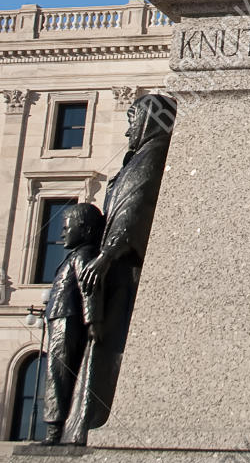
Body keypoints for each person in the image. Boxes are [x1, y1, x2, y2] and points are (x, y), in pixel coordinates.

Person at [60, 93, 176, 444]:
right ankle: (79, 426)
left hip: (122, 272)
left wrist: (108, 254)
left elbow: (134, 209)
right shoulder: (139, 157)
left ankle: (87, 424)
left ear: (150, 121)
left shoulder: (152, 156)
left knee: (106, 350)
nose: (128, 133)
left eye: (133, 122)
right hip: (112, 272)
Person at [42, 202, 105, 445]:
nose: (62, 233)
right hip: (61, 318)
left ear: (86, 230)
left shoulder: (84, 256)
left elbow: (88, 288)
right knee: (56, 372)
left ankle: (55, 430)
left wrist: (92, 320)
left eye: (67, 228)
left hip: (68, 320)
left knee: (59, 373)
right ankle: (55, 429)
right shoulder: (76, 256)